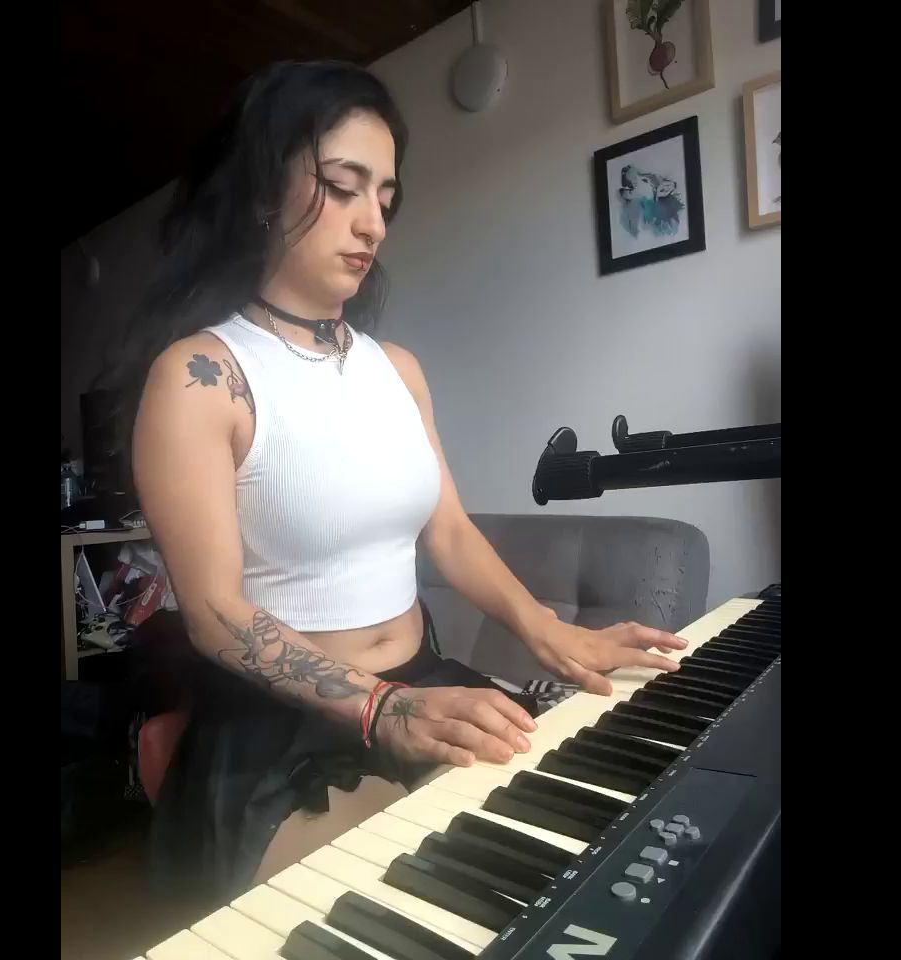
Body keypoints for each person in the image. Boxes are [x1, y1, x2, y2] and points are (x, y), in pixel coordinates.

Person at [128, 60, 686, 906]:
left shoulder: (398, 368)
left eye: (385, 196)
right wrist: (380, 709)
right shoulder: (202, 375)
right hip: (282, 727)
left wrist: (552, 635)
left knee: (586, 855)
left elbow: (450, 533)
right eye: (343, 187)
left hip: (422, 680)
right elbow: (214, 611)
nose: (373, 223)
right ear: (264, 190)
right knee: (420, 904)